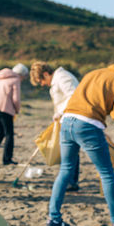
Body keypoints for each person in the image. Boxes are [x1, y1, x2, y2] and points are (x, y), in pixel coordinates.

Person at [44, 55, 114, 226]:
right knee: (107, 173)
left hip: (67, 121)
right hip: (88, 125)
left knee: (65, 170)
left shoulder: (95, 73)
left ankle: (53, 220)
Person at [30, 61, 80, 191]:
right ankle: (71, 181)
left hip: (72, 118)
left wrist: (60, 112)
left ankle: (70, 181)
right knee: (69, 151)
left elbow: (73, 96)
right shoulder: (58, 79)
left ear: (46, 74)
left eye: (41, 81)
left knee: (69, 151)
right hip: (65, 119)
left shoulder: (63, 77)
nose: (43, 84)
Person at [0, 63, 29, 165]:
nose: (23, 78)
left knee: (0, 133)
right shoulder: (16, 79)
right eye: (24, 76)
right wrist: (17, 110)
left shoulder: (0, 77)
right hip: (6, 109)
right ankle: (7, 159)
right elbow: (16, 99)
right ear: (21, 74)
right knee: (9, 134)